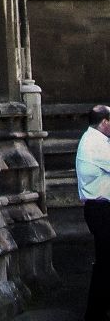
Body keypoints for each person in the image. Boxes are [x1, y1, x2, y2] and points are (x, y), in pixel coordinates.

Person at [76, 105, 110, 321]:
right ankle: (95, 313)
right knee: (105, 264)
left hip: (101, 209)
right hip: (101, 210)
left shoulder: (97, 140)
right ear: (105, 122)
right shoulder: (95, 143)